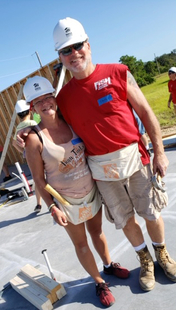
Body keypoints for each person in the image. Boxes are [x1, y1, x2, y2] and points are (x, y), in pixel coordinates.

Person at [51, 17, 176, 292]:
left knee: (151, 213)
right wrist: (28, 134)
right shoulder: (63, 99)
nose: (74, 54)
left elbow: (145, 112)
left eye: (78, 46)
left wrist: (159, 153)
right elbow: (50, 128)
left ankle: (161, 254)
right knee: (125, 219)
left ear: (89, 44)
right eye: (66, 50)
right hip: (102, 169)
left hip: (135, 158)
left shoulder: (118, 72)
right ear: (60, 57)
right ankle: (145, 261)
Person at [22, 75, 129, 308]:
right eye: (38, 101)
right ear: (33, 107)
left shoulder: (72, 122)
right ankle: (99, 282)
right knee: (81, 244)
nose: (45, 103)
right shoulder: (34, 139)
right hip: (65, 201)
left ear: (55, 98)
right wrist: (51, 207)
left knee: (98, 232)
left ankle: (108, 265)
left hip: (90, 191)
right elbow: (39, 180)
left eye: (47, 97)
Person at [13, 99, 42, 213]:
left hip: (30, 157)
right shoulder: (33, 124)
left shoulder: (18, 127)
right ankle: (53, 200)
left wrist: (24, 151)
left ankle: (39, 204)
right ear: (30, 111)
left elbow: (14, 143)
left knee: (37, 179)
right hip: (40, 154)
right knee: (49, 176)